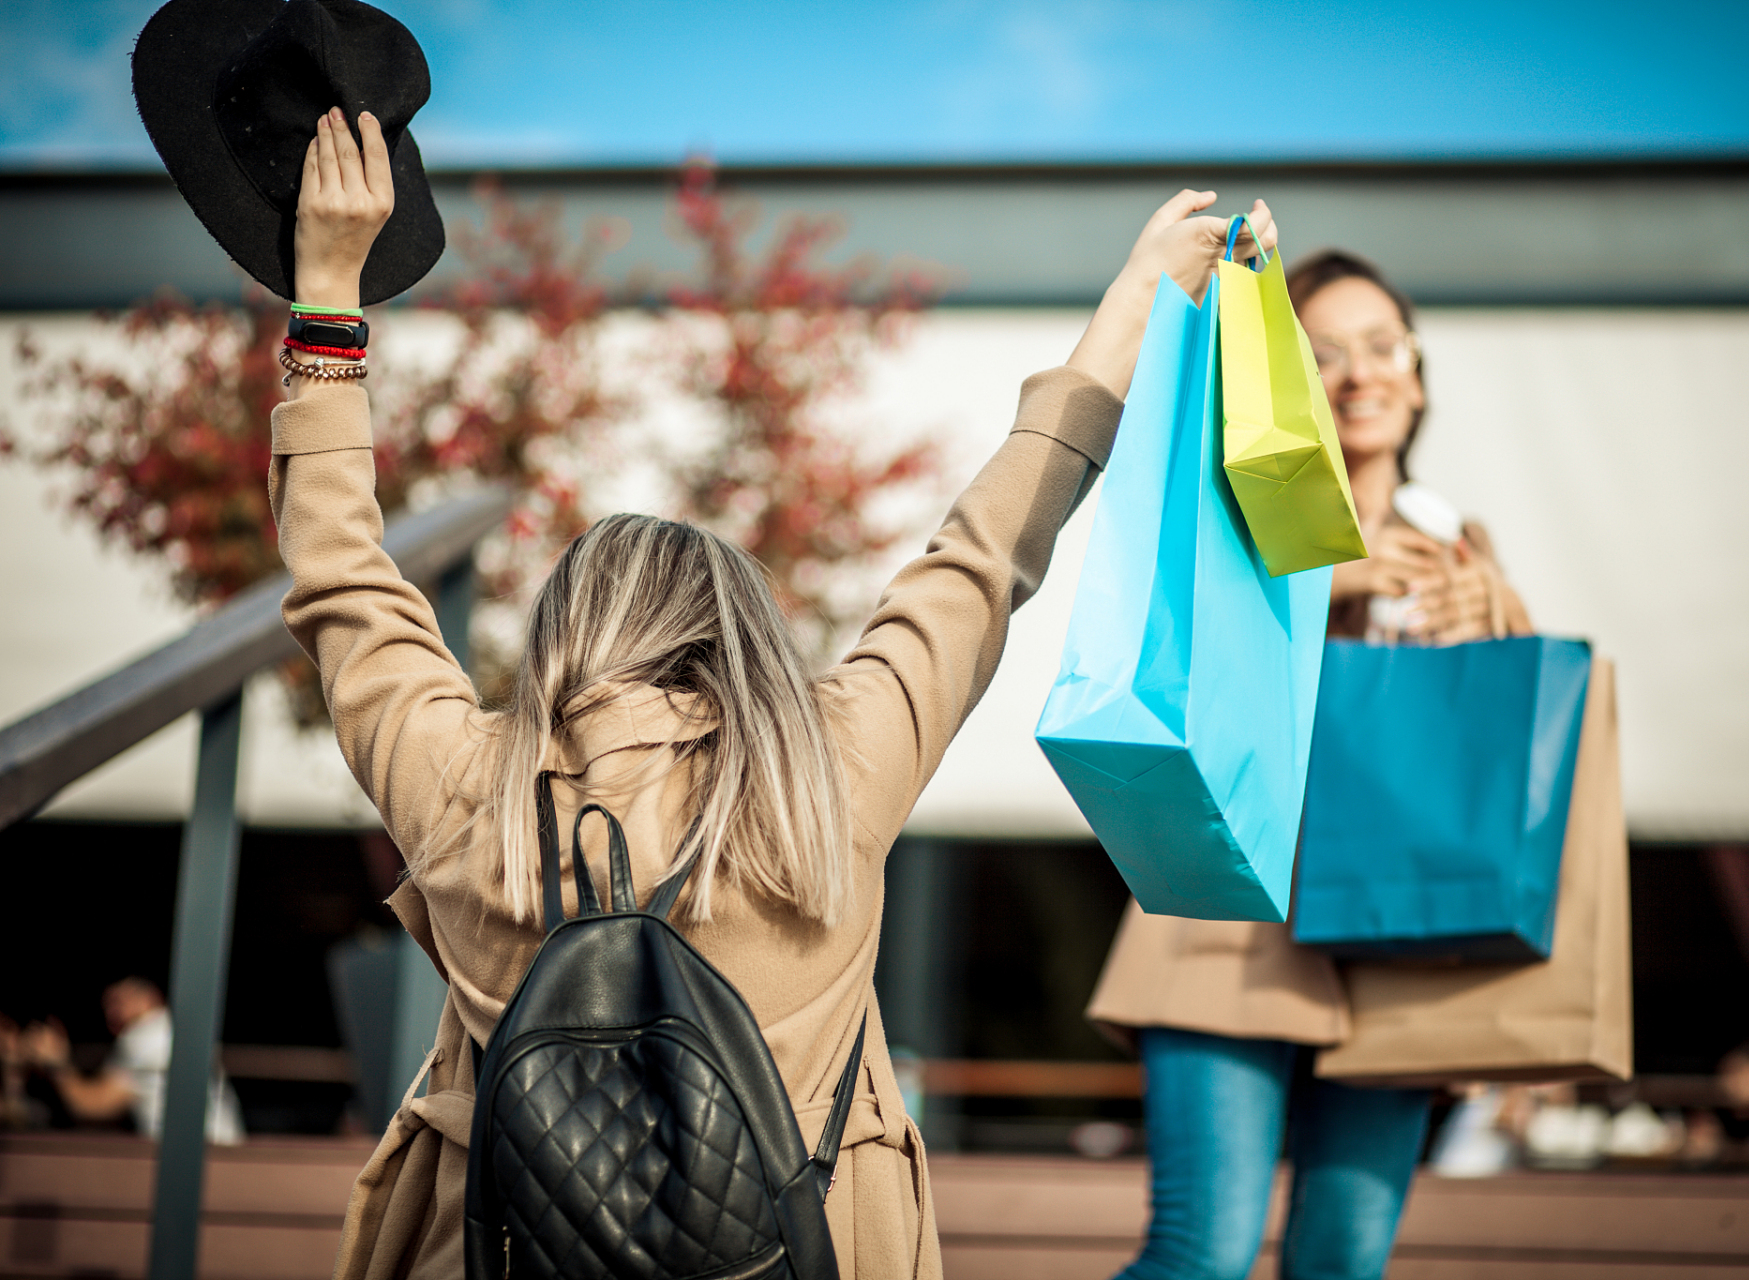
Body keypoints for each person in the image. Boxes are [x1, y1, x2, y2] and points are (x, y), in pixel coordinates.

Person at [280, 107, 1275, 1279]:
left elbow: (340, 574)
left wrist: (328, 287)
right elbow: (988, 550)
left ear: (561, 637)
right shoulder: (835, 769)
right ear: (741, 639)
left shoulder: (466, 788)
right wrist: (1139, 301)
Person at [1087, 249, 1531, 1280]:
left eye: (1384, 346)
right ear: (1285, 376)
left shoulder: (1463, 543)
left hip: (1400, 927)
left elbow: (1505, 749)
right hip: (1230, 911)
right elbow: (1185, 664)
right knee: (1201, 1250)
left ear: (1417, 376)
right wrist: (1324, 580)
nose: (1361, 372)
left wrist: (1495, 620)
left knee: (1342, 1257)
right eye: (1323, 351)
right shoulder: (1238, 518)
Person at [18, 976, 244, 1143]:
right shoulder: (175, 1030)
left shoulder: (146, 1036)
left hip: (191, 1161)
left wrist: (56, 1062)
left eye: (118, 1002)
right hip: (220, 1153)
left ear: (149, 999)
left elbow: (94, 1107)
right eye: (107, 1005)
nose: (111, 1013)